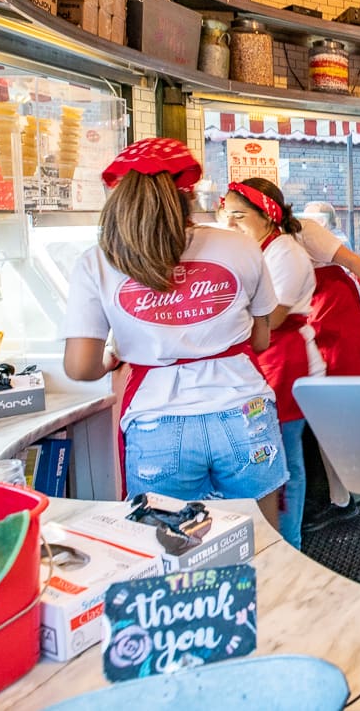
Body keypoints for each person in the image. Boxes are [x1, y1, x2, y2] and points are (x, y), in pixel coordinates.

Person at [61, 139, 287, 523]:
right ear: (189, 195)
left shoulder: (98, 261)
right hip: (244, 411)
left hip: (156, 423)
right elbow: (261, 339)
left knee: (172, 554)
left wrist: (112, 357)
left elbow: (81, 368)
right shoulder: (240, 247)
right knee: (263, 545)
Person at [219, 177, 325, 550]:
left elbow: (272, 318)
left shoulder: (285, 253)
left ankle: (289, 543)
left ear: (268, 216)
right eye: (225, 217)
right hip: (262, 361)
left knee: (285, 463)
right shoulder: (255, 250)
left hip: (285, 361)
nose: (230, 226)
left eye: (239, 217)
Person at [296, 214, 360, 530]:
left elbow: (353, 260)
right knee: (326, 418)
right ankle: (340, 499)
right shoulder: (261, 245)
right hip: (314, 324)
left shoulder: (304, 230)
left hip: (345, 322)